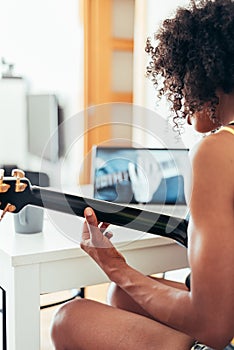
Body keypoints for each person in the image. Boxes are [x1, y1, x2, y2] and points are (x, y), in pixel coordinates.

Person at [50, 0, 234, 349]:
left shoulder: (218, 150)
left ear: (202, 74)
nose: (180, 96)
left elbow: (214, 328)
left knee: (68, 318)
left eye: (180, 82)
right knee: (122, 297)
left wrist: (114, 264)